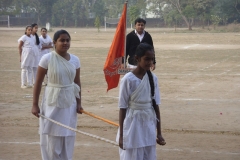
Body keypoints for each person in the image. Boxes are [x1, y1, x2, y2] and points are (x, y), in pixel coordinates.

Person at [31, 29, 83, 160]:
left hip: (69, 103)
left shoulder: (75, 60)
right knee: (52, 138)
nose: (65, 43)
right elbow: (38, 83)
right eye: (62, 40)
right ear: (54, 42)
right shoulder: (46, 58)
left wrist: (79, 103)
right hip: (52, 103)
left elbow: (77, 82)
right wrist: (34, 105)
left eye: (67, 40)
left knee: (68, 135)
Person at [117, 43, 165, 160]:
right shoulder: (128, 79)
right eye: (146, 59)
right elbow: (122, 107)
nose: (149, 62)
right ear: (137, 58)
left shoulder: (153, 78)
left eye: (152, 59)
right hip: (133, 125)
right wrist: (122, 136)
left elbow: (156, 105)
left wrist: (159, 132)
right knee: (133, 155)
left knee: (148, 155)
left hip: (148, 123)